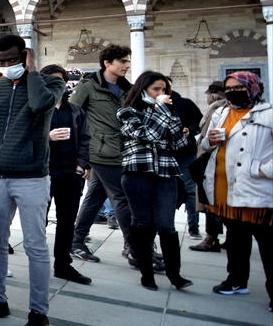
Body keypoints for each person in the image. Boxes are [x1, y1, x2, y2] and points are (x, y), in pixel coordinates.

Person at [0, 35, 64, 326]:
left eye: (12, 60)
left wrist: (32, 71)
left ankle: (38, 312)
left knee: (35, 246)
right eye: (2, 62)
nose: (7, 66)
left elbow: (40, 105)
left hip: (32, 176)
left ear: (25, 55)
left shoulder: (49, 83)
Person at [117, 71, 194, 291]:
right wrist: (161, 110)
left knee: (166, 225)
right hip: (137, 172)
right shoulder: (127, 111)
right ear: (143, 89)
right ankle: (146, 274)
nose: (161, 94)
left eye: (164, 90)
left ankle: (175, 274)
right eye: (156, 89)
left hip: (166, 171)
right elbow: (147, 135)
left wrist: (169, 117)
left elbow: (179, 143)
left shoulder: (168, 111)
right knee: (142, 223)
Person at [200, 73, 272, 306]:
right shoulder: (221, 113)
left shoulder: (268, 114)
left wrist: (261, 170)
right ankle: (237, 280)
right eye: (229, 87)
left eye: (239, 87)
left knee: (268, 244)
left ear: (253, 88)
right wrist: (209, 140)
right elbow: (204, 145)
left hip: (258, 190)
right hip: (225, 189)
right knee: (237, 239)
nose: (232, 91)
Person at [69, 45, 137, 266]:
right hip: (100, 151)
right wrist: (81, 155)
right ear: (107, 63)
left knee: (95, 196)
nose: (127, 65)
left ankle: (76, 240)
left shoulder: (128, 89)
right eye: (123, 61)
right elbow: (72, 116)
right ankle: (133, 246)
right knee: (122, 196)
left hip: (123, 149)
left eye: (128, 61)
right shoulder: (88, 86)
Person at [41, 65, 93, 286]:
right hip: (44, 173)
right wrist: (47, 137)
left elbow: (85, 139)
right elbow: (26, 138)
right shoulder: (39, 108)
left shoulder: (74, 110)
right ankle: (39, 263)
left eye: (60, 81)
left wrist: (81, 165)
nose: (56, 85)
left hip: (70, 173)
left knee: (66, 222)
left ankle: (63, 264)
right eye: (51, 81)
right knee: (38, 221)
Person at [192, 81, 231, 252]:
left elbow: (208, 138)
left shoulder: (218, 110)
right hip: (214, 160)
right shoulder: (220, 109)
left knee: (211, 201)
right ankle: (226, 238)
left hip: (213, 162)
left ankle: (211, 239)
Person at [168, 81, 204, 239]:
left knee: (190, 190)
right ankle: (167, 226)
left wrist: (190, 130)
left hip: (186, 153)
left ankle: (193, 227)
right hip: (165, 155)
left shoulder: (185, 104)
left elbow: (200, 122)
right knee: (167, 192)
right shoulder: (152, 106)